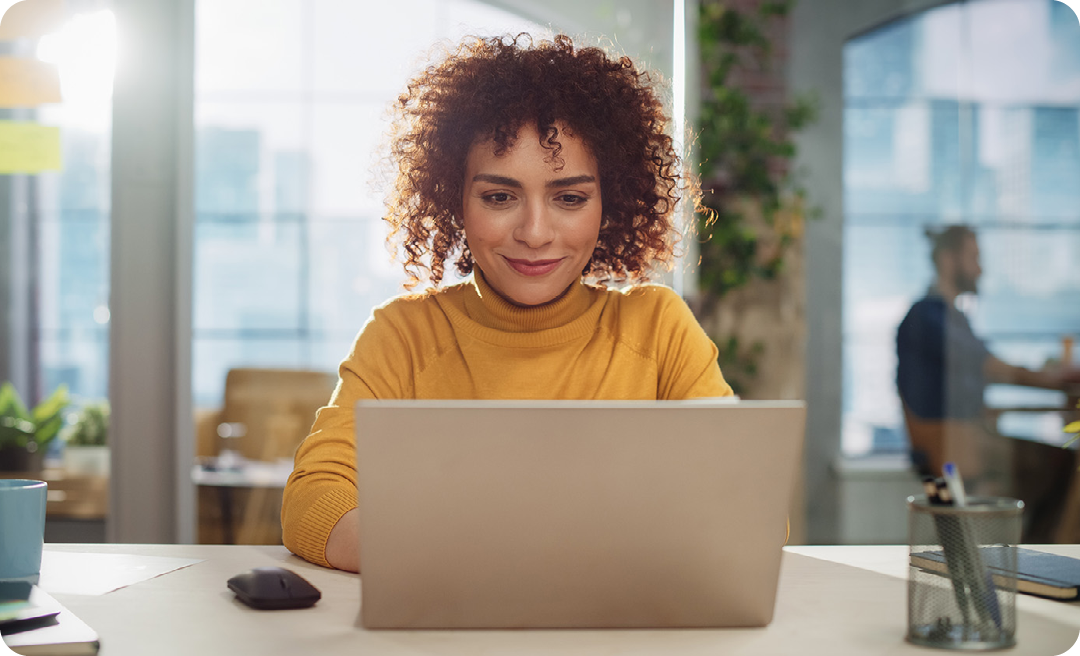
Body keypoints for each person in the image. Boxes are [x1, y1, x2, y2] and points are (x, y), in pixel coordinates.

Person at [281, 34, 734, 571]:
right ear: (455, 200)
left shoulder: (658, 329)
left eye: (570, 198)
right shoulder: (404, 335)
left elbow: (744, 510)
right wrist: (486, 559)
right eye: (499, 197)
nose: (536, 233)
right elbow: (315, 499)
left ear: (609, 203)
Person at [896, 225, 1079, 539]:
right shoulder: (928, 316)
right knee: (1067, 464)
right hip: (954, 446)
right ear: (948, 259)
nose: (981, 269)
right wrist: (1052, 378)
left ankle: (1039, 558)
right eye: (974, 258)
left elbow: (977, 374)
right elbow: (988, 365)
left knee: (1062, 465)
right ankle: (1045, 560)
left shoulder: (951, 318)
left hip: (968, 436)